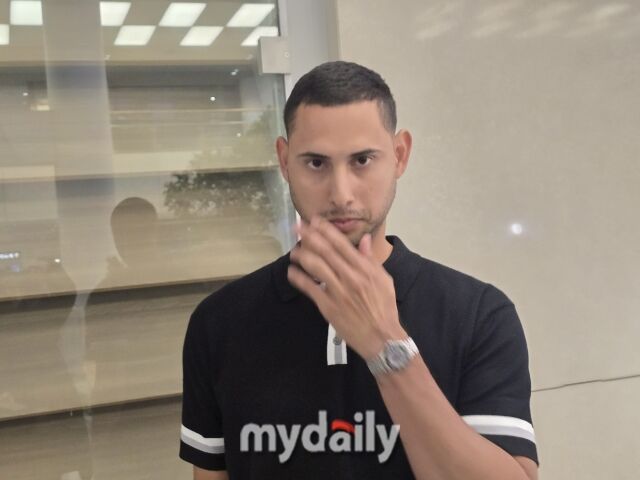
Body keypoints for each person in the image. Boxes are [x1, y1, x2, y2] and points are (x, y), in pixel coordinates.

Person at [178, 61, 539, 480]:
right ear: (284, 160)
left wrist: (388, 348)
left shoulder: (477, 315)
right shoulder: (220, 322)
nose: (341, 193)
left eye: (362, 160)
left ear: (400, 155)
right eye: (316, 163)